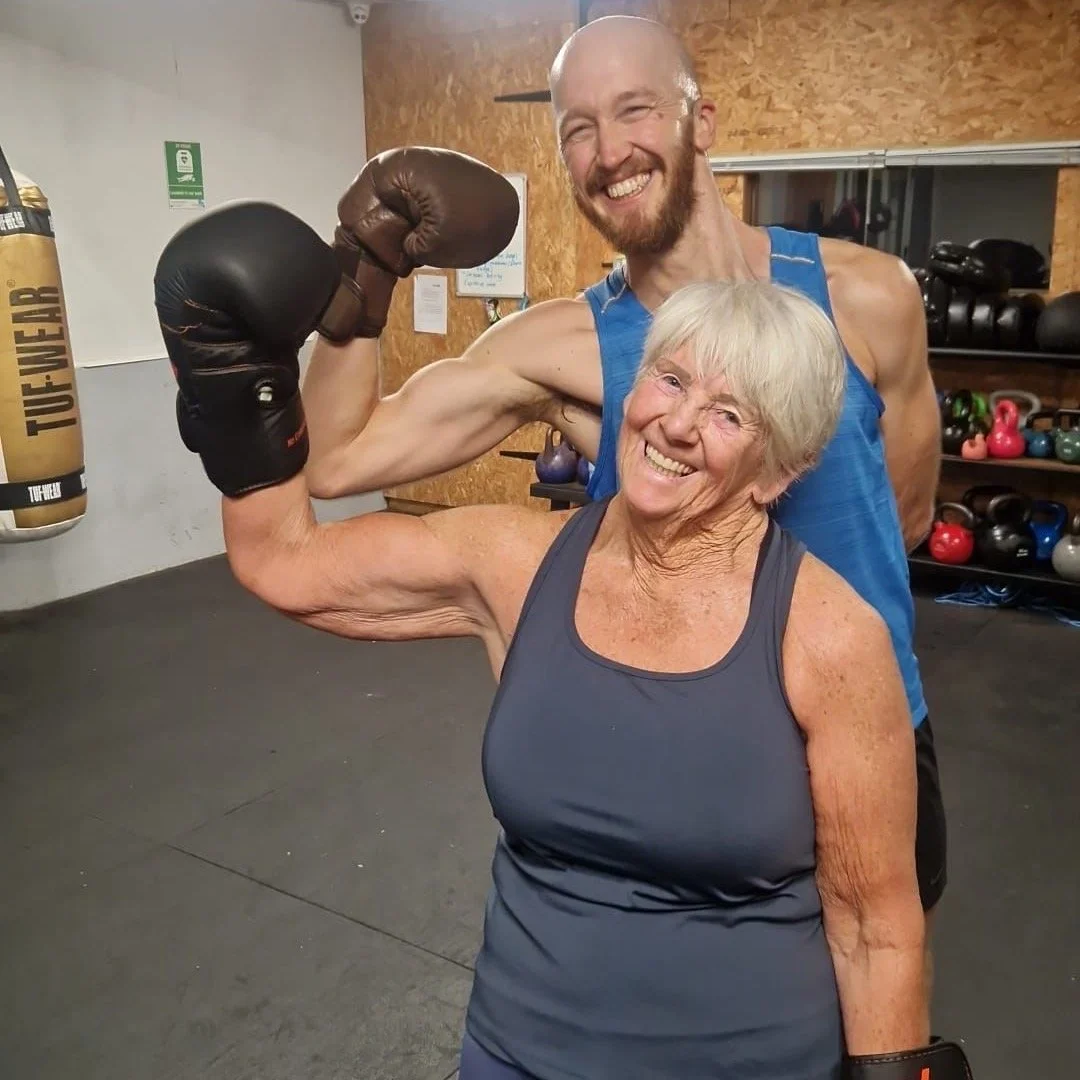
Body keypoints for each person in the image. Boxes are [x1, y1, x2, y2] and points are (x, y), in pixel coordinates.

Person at [153, 197, 973, 1080]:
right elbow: (284, 559)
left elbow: (875, 929)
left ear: (780, 470)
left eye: (731, 415)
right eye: (670, 380)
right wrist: (237, 386)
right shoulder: (516, 561)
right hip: (516, 1057)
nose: (678, 423)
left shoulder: (831, 638)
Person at [298, 15, 948, 944]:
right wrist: (367, 266)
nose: (609, 152)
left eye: (635, 110)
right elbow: (338, 457)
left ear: (701, 121)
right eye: (578, 128)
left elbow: (909, 516)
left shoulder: (871, 297)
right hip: (691, 754)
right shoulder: (560, 347)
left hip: (873, 735)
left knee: (876, 976)